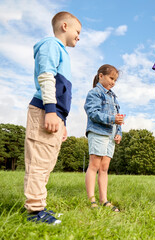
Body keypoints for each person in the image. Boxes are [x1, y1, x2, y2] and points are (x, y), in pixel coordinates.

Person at [24, 11, 81, 225]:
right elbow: (47, 77)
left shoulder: (62, 52)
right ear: (65, 26)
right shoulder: (50, 45)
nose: (79, 36)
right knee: (38, 162)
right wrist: (49, 109)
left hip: (55, 114)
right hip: (44, 110)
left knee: (46, 163)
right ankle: (34, 212)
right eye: (78, 31)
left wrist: (62, 121)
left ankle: (40, 206)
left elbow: (62, 91)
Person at [84, 64, 124, 212]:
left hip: (110, 136)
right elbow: (92, 113)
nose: (113, 82)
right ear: (101, 76)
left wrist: (119, 131)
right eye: (111, 78)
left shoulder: (114, 97)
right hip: (98, 132)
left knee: (104, 168)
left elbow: (118, 117)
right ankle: (92, 200)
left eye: (115, 80)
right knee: (94, 165)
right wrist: (112, 119)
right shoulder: (94, 93)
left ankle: (104, 199)